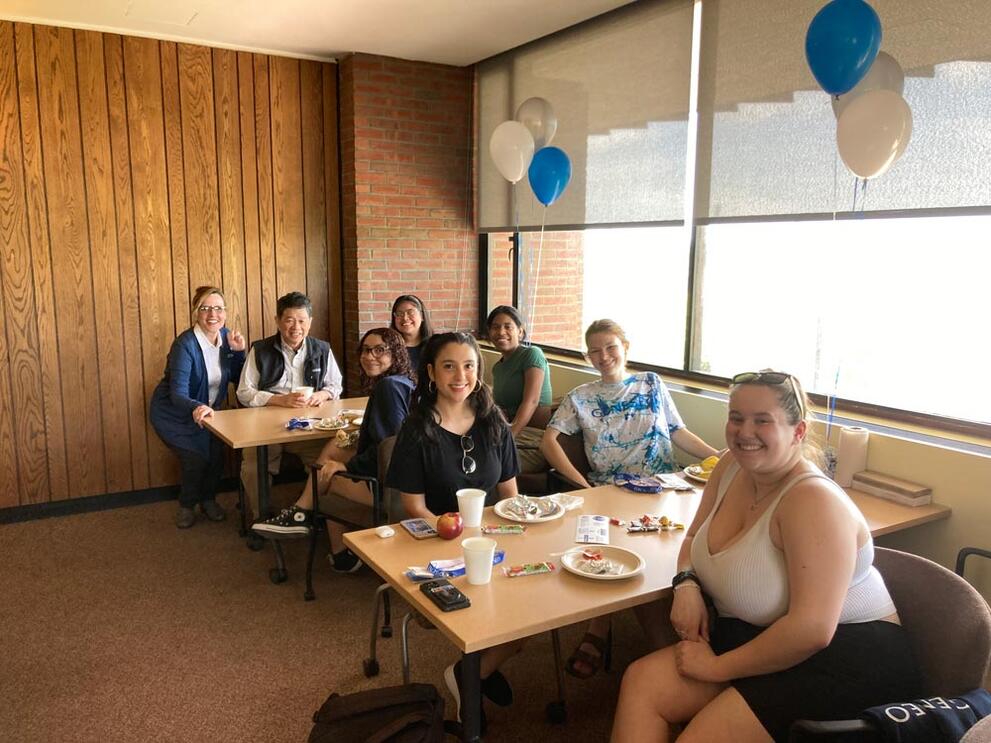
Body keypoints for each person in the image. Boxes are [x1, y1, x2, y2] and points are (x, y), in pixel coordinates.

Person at [610, 371, 922, 743]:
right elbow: (693, 536)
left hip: (842, 658)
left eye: (763, 421)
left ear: (798, 431)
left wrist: (715, 668)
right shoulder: (729, 465)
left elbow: (811, 631)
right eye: (736, 417)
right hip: (755, 637)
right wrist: (687, 584)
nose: (745, 432)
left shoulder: (812, 501)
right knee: (642, 682)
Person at [541, 318, 719, 679]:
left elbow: (677, 431)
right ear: (588, 356)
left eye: (610, 347)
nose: (603, 355)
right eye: (595, 350)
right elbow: (549, 441)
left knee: (674, 553)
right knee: (607, 555)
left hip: (662, 488)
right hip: (610, 492)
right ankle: (604, 630)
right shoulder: (581, 397)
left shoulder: (651, 383)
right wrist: (583, 486)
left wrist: (720, 460)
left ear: (625, 347)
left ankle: (675, 634)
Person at [385, 332, 520, 728]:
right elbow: (414, 507)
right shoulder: (417, 428)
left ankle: (471, 673)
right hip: (437, 547)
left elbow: (510, 496)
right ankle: (479, 668)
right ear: (430, 372)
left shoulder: (495, 422)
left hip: (493, 544)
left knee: (535, 609)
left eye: (469, 366)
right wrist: (455, 536)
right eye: (448, 366)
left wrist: (504, 536)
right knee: (488, 606)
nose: (460, 376)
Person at [252, 328, 415, 573]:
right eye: (366, 350)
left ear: (397, 354)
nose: (370, 356)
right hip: (407, 478)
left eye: (379, 350)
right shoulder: (404, 382)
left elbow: (388, 448)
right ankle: (306, 520)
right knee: (334, 449)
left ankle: (307, 522)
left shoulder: (388, 388)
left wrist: (347, 467)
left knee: (322, 475)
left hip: (392, 488)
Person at [236, 291, 343, 521]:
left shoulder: (322, 349)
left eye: (302, 321)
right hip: (265, 426)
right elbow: (244, 393)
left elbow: (336, 385)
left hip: (309, 426)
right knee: (254, 467)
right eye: (289, 320)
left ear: (310, 322)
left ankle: (311, 513)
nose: (296, 327)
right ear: (277, 321)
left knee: (329, 461)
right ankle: (261, 517)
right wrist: (278, 400)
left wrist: (323, 394)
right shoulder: (261, 349)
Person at [150, 286, 246, 528]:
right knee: (195, 457)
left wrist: (238, 353)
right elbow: (178, 393)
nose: (212, 314)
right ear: (196, 312)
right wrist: (197, 407)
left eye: (218, 308)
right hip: (175, 411)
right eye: (205, 308)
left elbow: (238, 379)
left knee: (215, 454)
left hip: (207, 412)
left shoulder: (227, 338)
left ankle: (208, 500)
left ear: (225, 312)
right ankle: (187, 505)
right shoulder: (185, 344)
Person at [487, 305, 553, 474]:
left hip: (533, 438)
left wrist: (510, 435)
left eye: (508, 326)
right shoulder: (497, 368)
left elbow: (531, 401)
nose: (501, 332)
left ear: (520, 332)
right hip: (509, 432)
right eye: (495, 327)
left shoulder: (532, 354)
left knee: (487, 462)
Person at [390, 294, 433, 370]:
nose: (405, 318)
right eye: (399, 314)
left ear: (422, 316)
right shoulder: (389, 347)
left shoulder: (435, 346)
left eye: (411, 312)